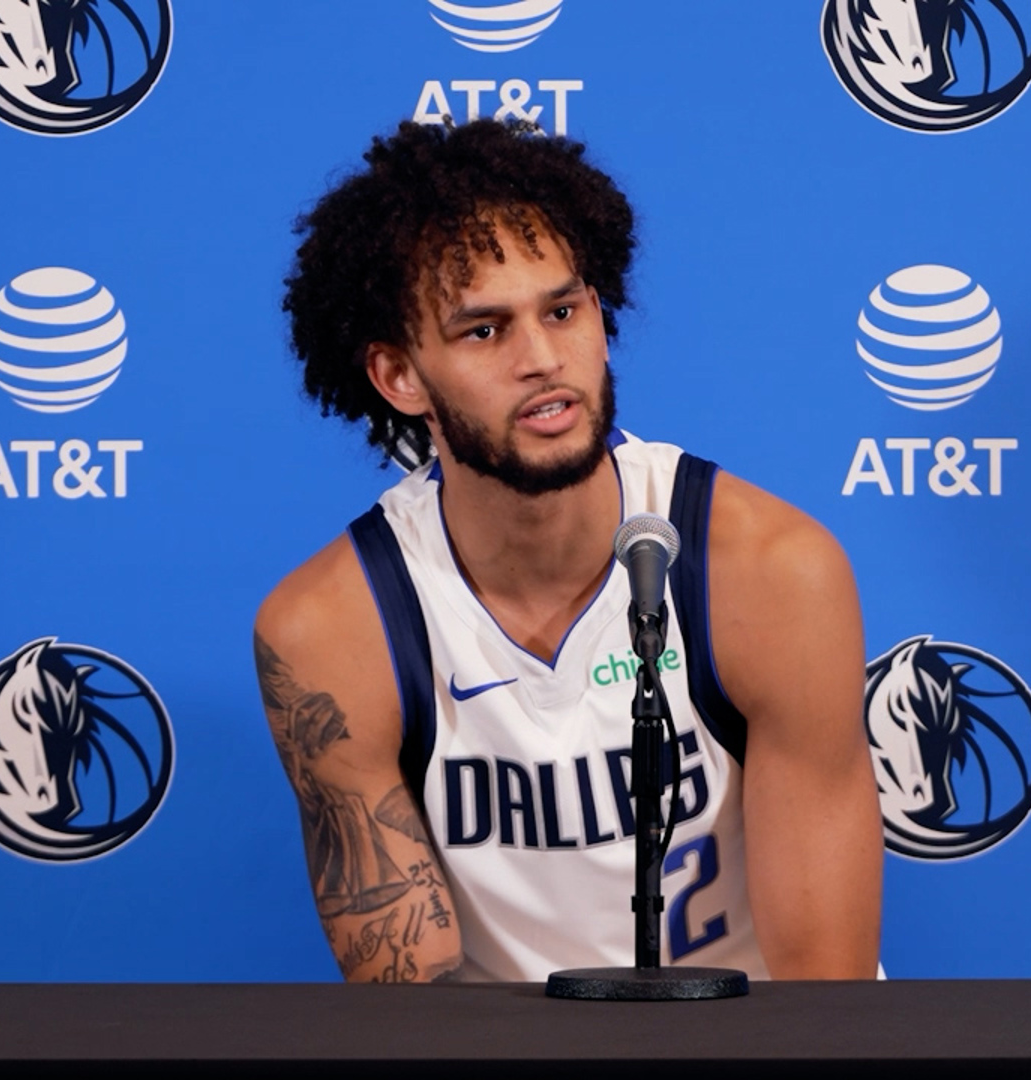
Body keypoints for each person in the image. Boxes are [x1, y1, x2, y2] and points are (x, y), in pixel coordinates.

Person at [258, 119, 880, 983]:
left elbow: (825, 992)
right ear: (400, 377)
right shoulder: (334, 628)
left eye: (562, 310)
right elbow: (411, 1003)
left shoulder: (770, 570)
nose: (544, 359)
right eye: (485, 331)